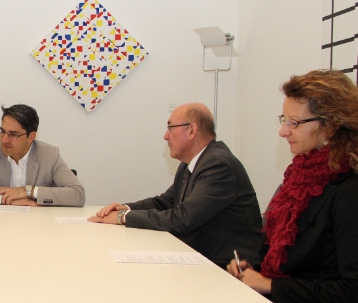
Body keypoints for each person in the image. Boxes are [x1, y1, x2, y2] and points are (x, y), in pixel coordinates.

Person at [226, 70, 358, 303]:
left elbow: (352, 292)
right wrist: (257, 271)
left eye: (294, 122)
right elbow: (298, 263)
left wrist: (269, 285)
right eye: (284, 120)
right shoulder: (301, 176)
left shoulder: (349, 190)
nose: (283, 131)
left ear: (330, 125)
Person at [91, 103, 262, 268]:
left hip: (230, 268)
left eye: (170, 128)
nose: (165, 136)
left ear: (192, 130)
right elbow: (165, 202)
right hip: (202, 258)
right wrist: (125, 208)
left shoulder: (218, 165)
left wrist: (123, 217)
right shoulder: (191, 164)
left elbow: (183, 219)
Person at [0, 104, 85, 206]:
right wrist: (4, 199)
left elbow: (78, 195)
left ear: (31, 136)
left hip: (38, 225)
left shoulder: (49, 155)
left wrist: (28, 191)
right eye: (2, 132)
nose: (4, 140)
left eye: (13, 135)